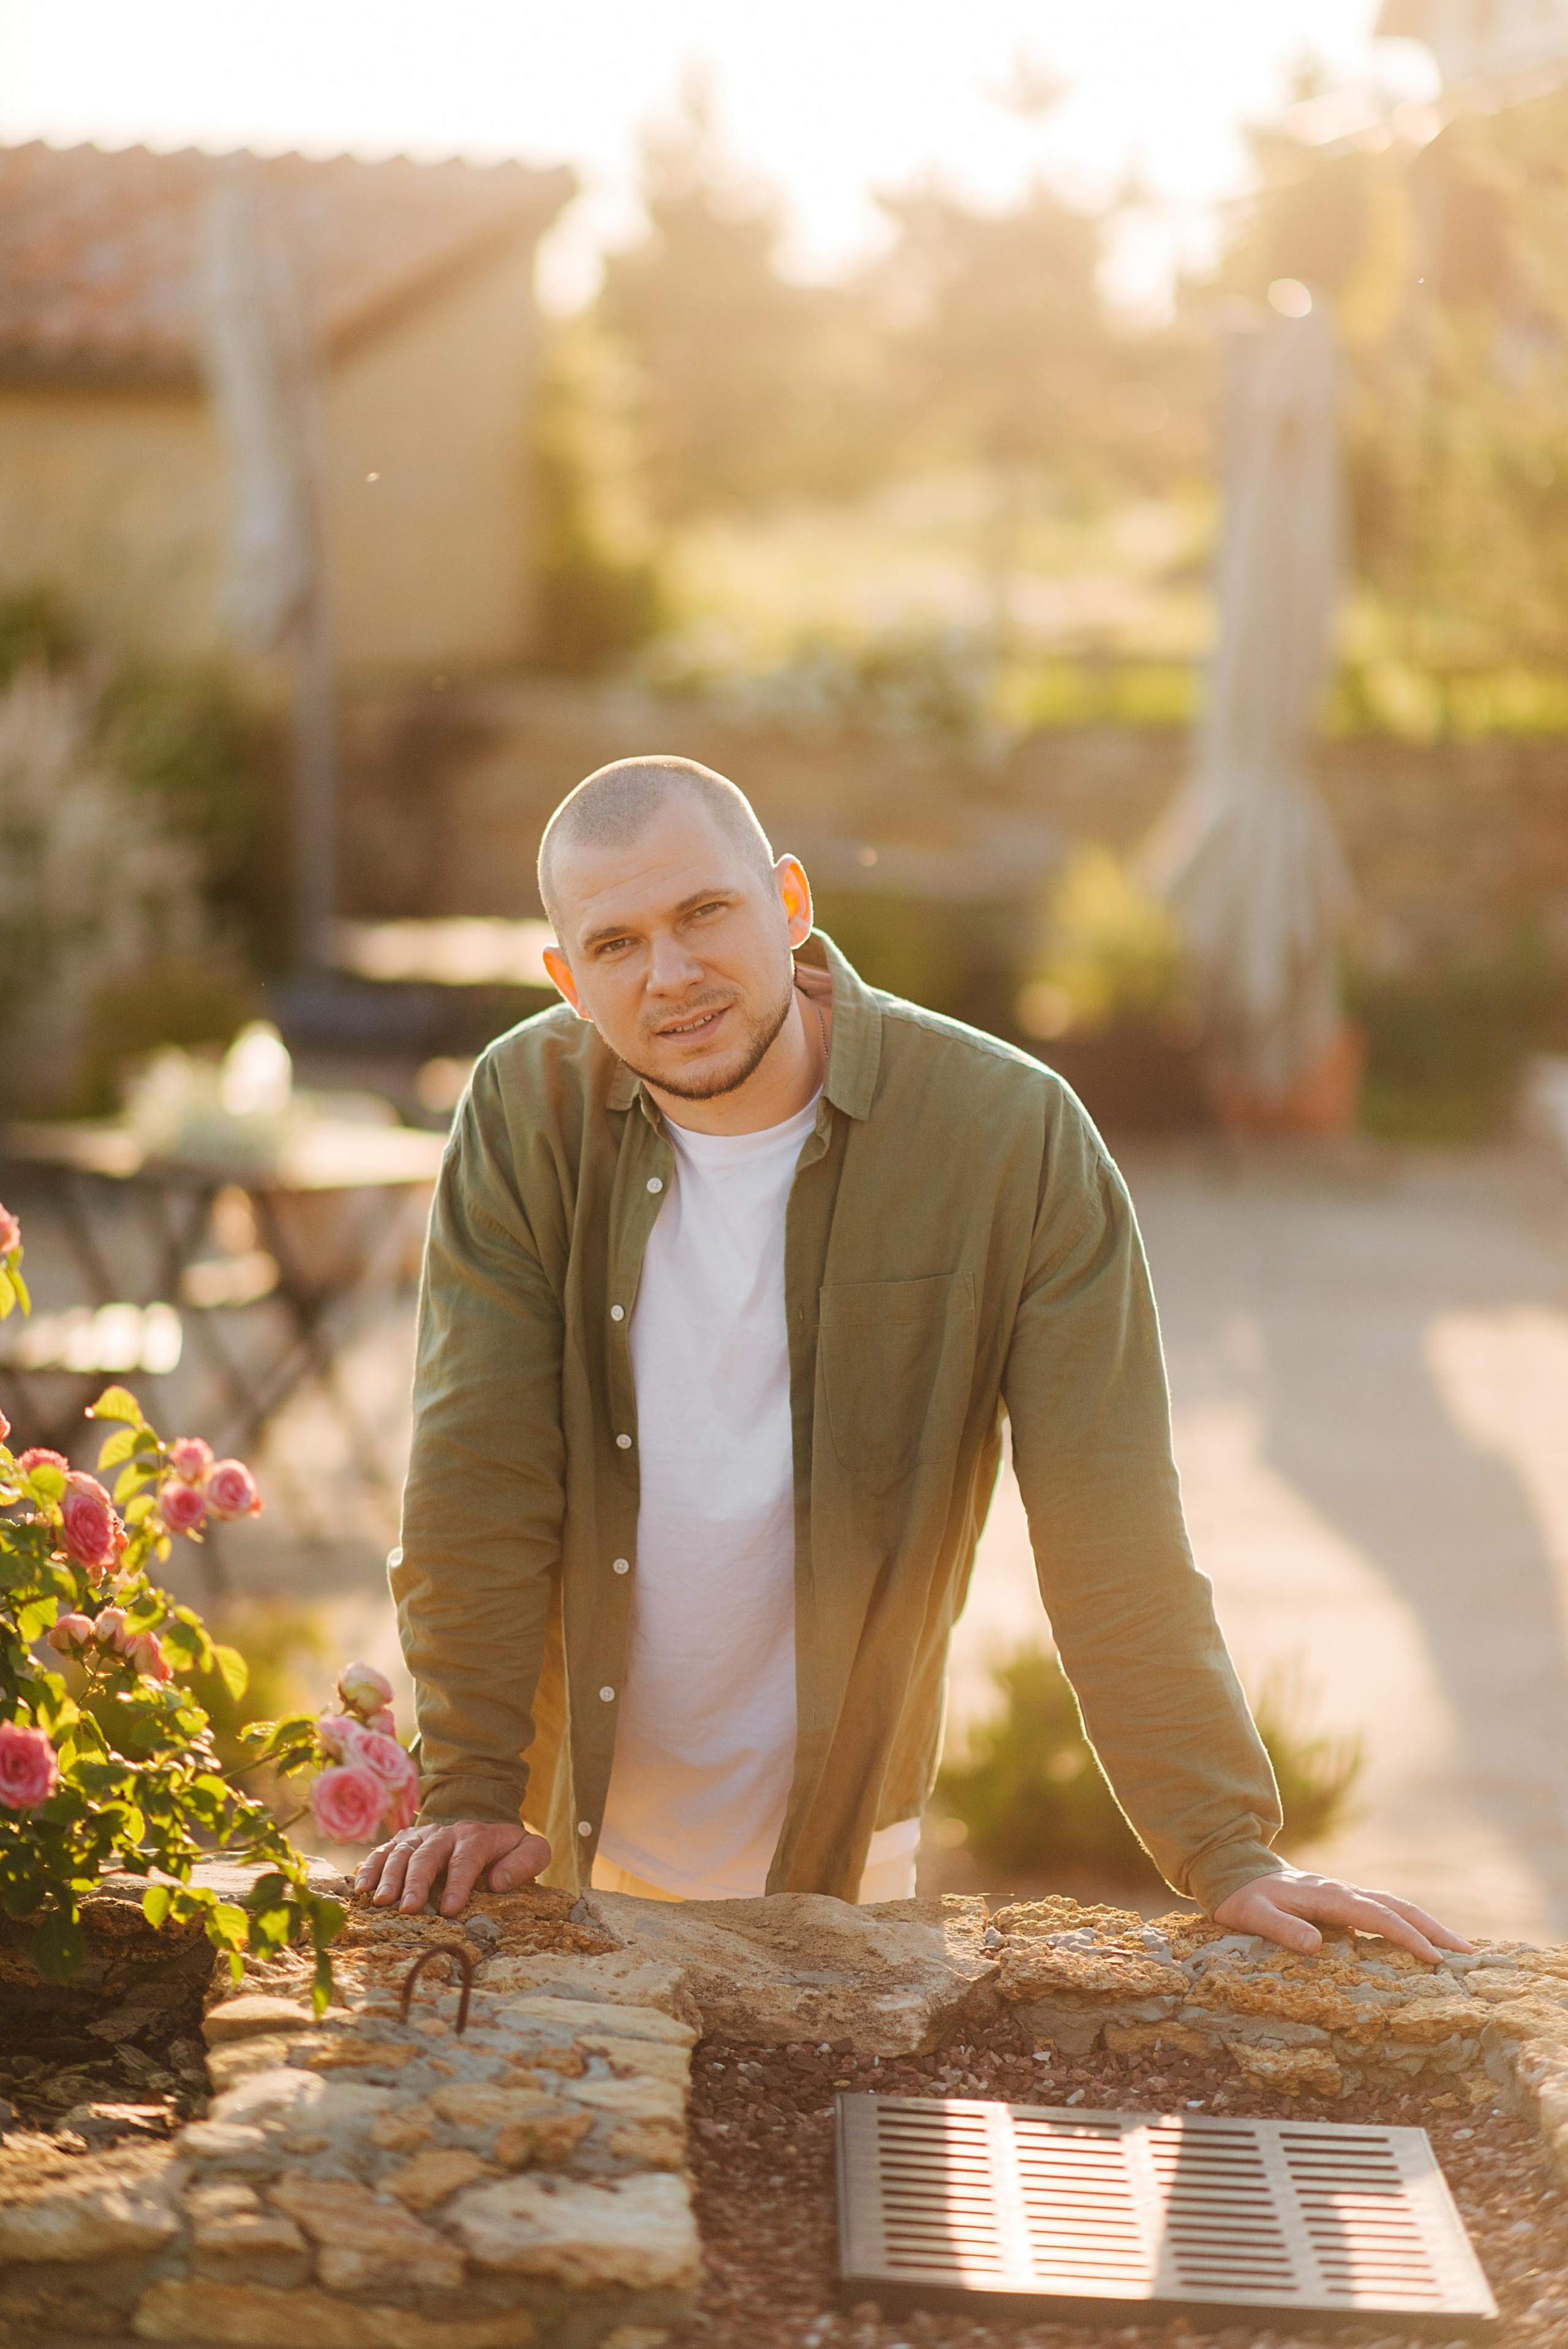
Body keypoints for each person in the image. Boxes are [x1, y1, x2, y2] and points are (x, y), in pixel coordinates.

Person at [358, 755, 1467, 1967]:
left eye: (703, 913)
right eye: (616, 944)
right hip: (558, 1837)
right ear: (568, 980)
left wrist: (1227, 1850)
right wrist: (468, 1786)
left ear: (788, 905)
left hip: (841, 1857)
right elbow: (476, 1465)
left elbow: (1111, 1529)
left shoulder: (1010, 1138)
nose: (669, 975)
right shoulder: (524, 1113)